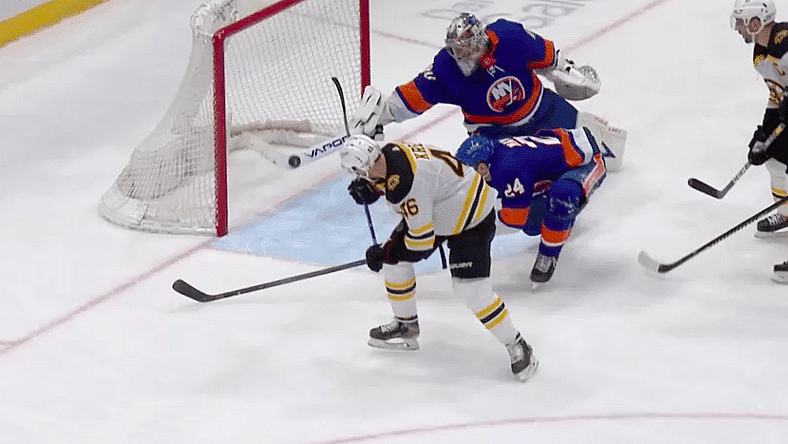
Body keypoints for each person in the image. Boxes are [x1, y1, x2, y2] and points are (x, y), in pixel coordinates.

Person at [339, 134, 538, 381]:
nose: (370, 171)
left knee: (471, 290)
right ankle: (406, 324)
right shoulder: (392, 153)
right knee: (394, 262)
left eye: (364, 171)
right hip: (442, 206)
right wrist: (374, 188)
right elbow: (407, 183)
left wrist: (384, 253)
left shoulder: (404, 185)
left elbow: (420, 243)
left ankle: (517, 344)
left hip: (471, 219)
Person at [348, 12, 627, 171]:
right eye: (457, 50)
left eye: (468, 49)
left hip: (542, 111)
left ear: (481, 41)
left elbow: (550, 59)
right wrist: (379, 116)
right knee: (495, 189)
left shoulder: (510, 37)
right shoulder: (446, 68)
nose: (462, 56)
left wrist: (572, 76)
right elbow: (411, 99)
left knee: (607, 152)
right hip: (493, 135)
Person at [454, 127, 606, 287]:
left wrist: (476, 227)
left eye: (471, 171)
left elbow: (515, 219)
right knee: (533, 224)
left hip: (584, 162)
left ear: (483, 167)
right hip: (555, 163)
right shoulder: (495, 159)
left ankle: (549, 254)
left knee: (562, 198)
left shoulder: (508, 166)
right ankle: (560, 215)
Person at [731, 0, 788, 281]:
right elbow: (777, 96)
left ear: (756, 22)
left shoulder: (784, 43)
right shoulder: (760, 54)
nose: (738, 28)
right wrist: (764, 133)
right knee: (774, 157)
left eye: (741, 22)